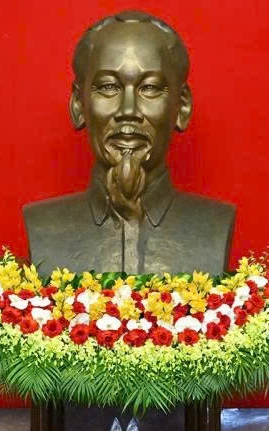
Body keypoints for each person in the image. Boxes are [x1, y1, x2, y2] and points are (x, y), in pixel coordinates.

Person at [23, 10, 235, 275]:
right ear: (78, 104)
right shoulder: (43, 226)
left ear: (181, 107)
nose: (128, 110)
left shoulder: (214, 224)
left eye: (150, 88)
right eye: (109, 87)